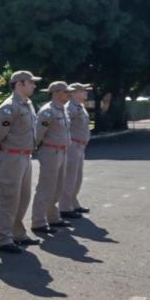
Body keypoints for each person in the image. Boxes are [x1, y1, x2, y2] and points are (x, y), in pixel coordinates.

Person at [0, 70, 42, 253]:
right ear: (19, 84)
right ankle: (3, 239)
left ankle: (17, 233)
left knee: (23, 198)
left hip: (25, 156)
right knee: (9, 199)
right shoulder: (9, 106)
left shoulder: (27, 104)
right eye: (31, 82)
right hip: (12, 156)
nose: (34, 85)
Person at [31, 81, 73, 234]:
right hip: (50, 152)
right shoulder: (47, 111)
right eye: (65, 91)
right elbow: (38, 134)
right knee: (46, 187)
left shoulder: (62, 109)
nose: (68, 94)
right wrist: (38, 148)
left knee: (58, 186)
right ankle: (38, 221)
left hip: (61, 151)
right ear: (55, 92)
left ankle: (52, 216)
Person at [59, 83, 93, 218]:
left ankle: (73, 202)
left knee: (77, 177)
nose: (85, 92)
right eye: (82, 90)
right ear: (73, 93)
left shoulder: (80, 106)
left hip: (80, 145)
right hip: (72, 145)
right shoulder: (70, 107)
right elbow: (65, 126)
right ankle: (65, 207)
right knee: (70, 177)